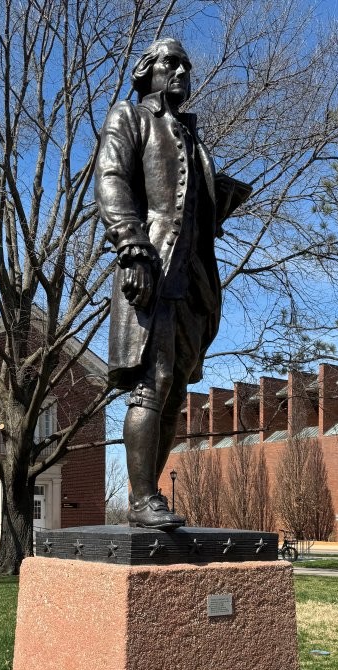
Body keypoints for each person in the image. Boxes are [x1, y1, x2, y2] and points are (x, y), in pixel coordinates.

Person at [95, 38, 251, 528]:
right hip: (152, 268)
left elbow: (196, 213)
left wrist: (220, 197)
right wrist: (131, 244)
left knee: (175, 391)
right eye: (171, 62)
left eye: (186, 63)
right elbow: (112, 178)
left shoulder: (193, 137)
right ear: (147, 71)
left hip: (194, 280)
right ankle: (141, 500)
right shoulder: (129, 116)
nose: (182, 70)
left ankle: (150, 496)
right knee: (151, 384)